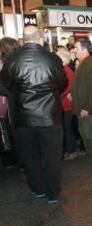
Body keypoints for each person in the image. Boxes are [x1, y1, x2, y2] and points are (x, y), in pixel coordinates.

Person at [1, 26, 67, 203]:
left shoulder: (12, 58)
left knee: (31, 156)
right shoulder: (52, 58)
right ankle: (52, 193)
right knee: (52, 157)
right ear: (40, 38)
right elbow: (62, 82)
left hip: (24, 116)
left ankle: (37, 188)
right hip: (50, 115)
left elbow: (6, 84)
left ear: (23, 38)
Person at [71, 38, 92, 156]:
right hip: (82, 107)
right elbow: (82, 84)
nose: (74, 51)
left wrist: (87, 108)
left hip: (87, 109)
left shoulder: (89, 64)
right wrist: (72, 94)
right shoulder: (84, 63)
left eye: (77, 48)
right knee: (85, 134)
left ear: (84, 50)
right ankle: (91, 157)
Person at [0, 37, 20, 170]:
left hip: (13, 104)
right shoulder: (19, 61)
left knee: (14, 133)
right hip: (22, 103)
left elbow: (4, 88)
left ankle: (18, 161)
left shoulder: (8, 64)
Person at [56, 50, 77, 160]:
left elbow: (66, 88)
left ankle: (71, 150)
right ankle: (69, 150)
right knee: (67, 127)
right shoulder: (66, 70)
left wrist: (56, 97)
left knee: (67, 128)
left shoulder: (66, 71)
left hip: (66, 105)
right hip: (65, 104)